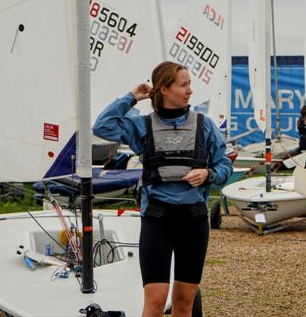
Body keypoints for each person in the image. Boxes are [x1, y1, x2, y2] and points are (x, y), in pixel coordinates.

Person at [93, 61, 231, 317]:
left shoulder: (205, 125)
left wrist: (208, 173)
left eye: (190, 84)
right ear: (165, 90)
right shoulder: (143, 126)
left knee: (184, 303)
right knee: (156, 303)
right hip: (158, 219)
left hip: (194, 220)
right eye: (184, 84)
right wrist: (132, 97)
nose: (190, 90)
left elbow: (225, 167)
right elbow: (102, 126)